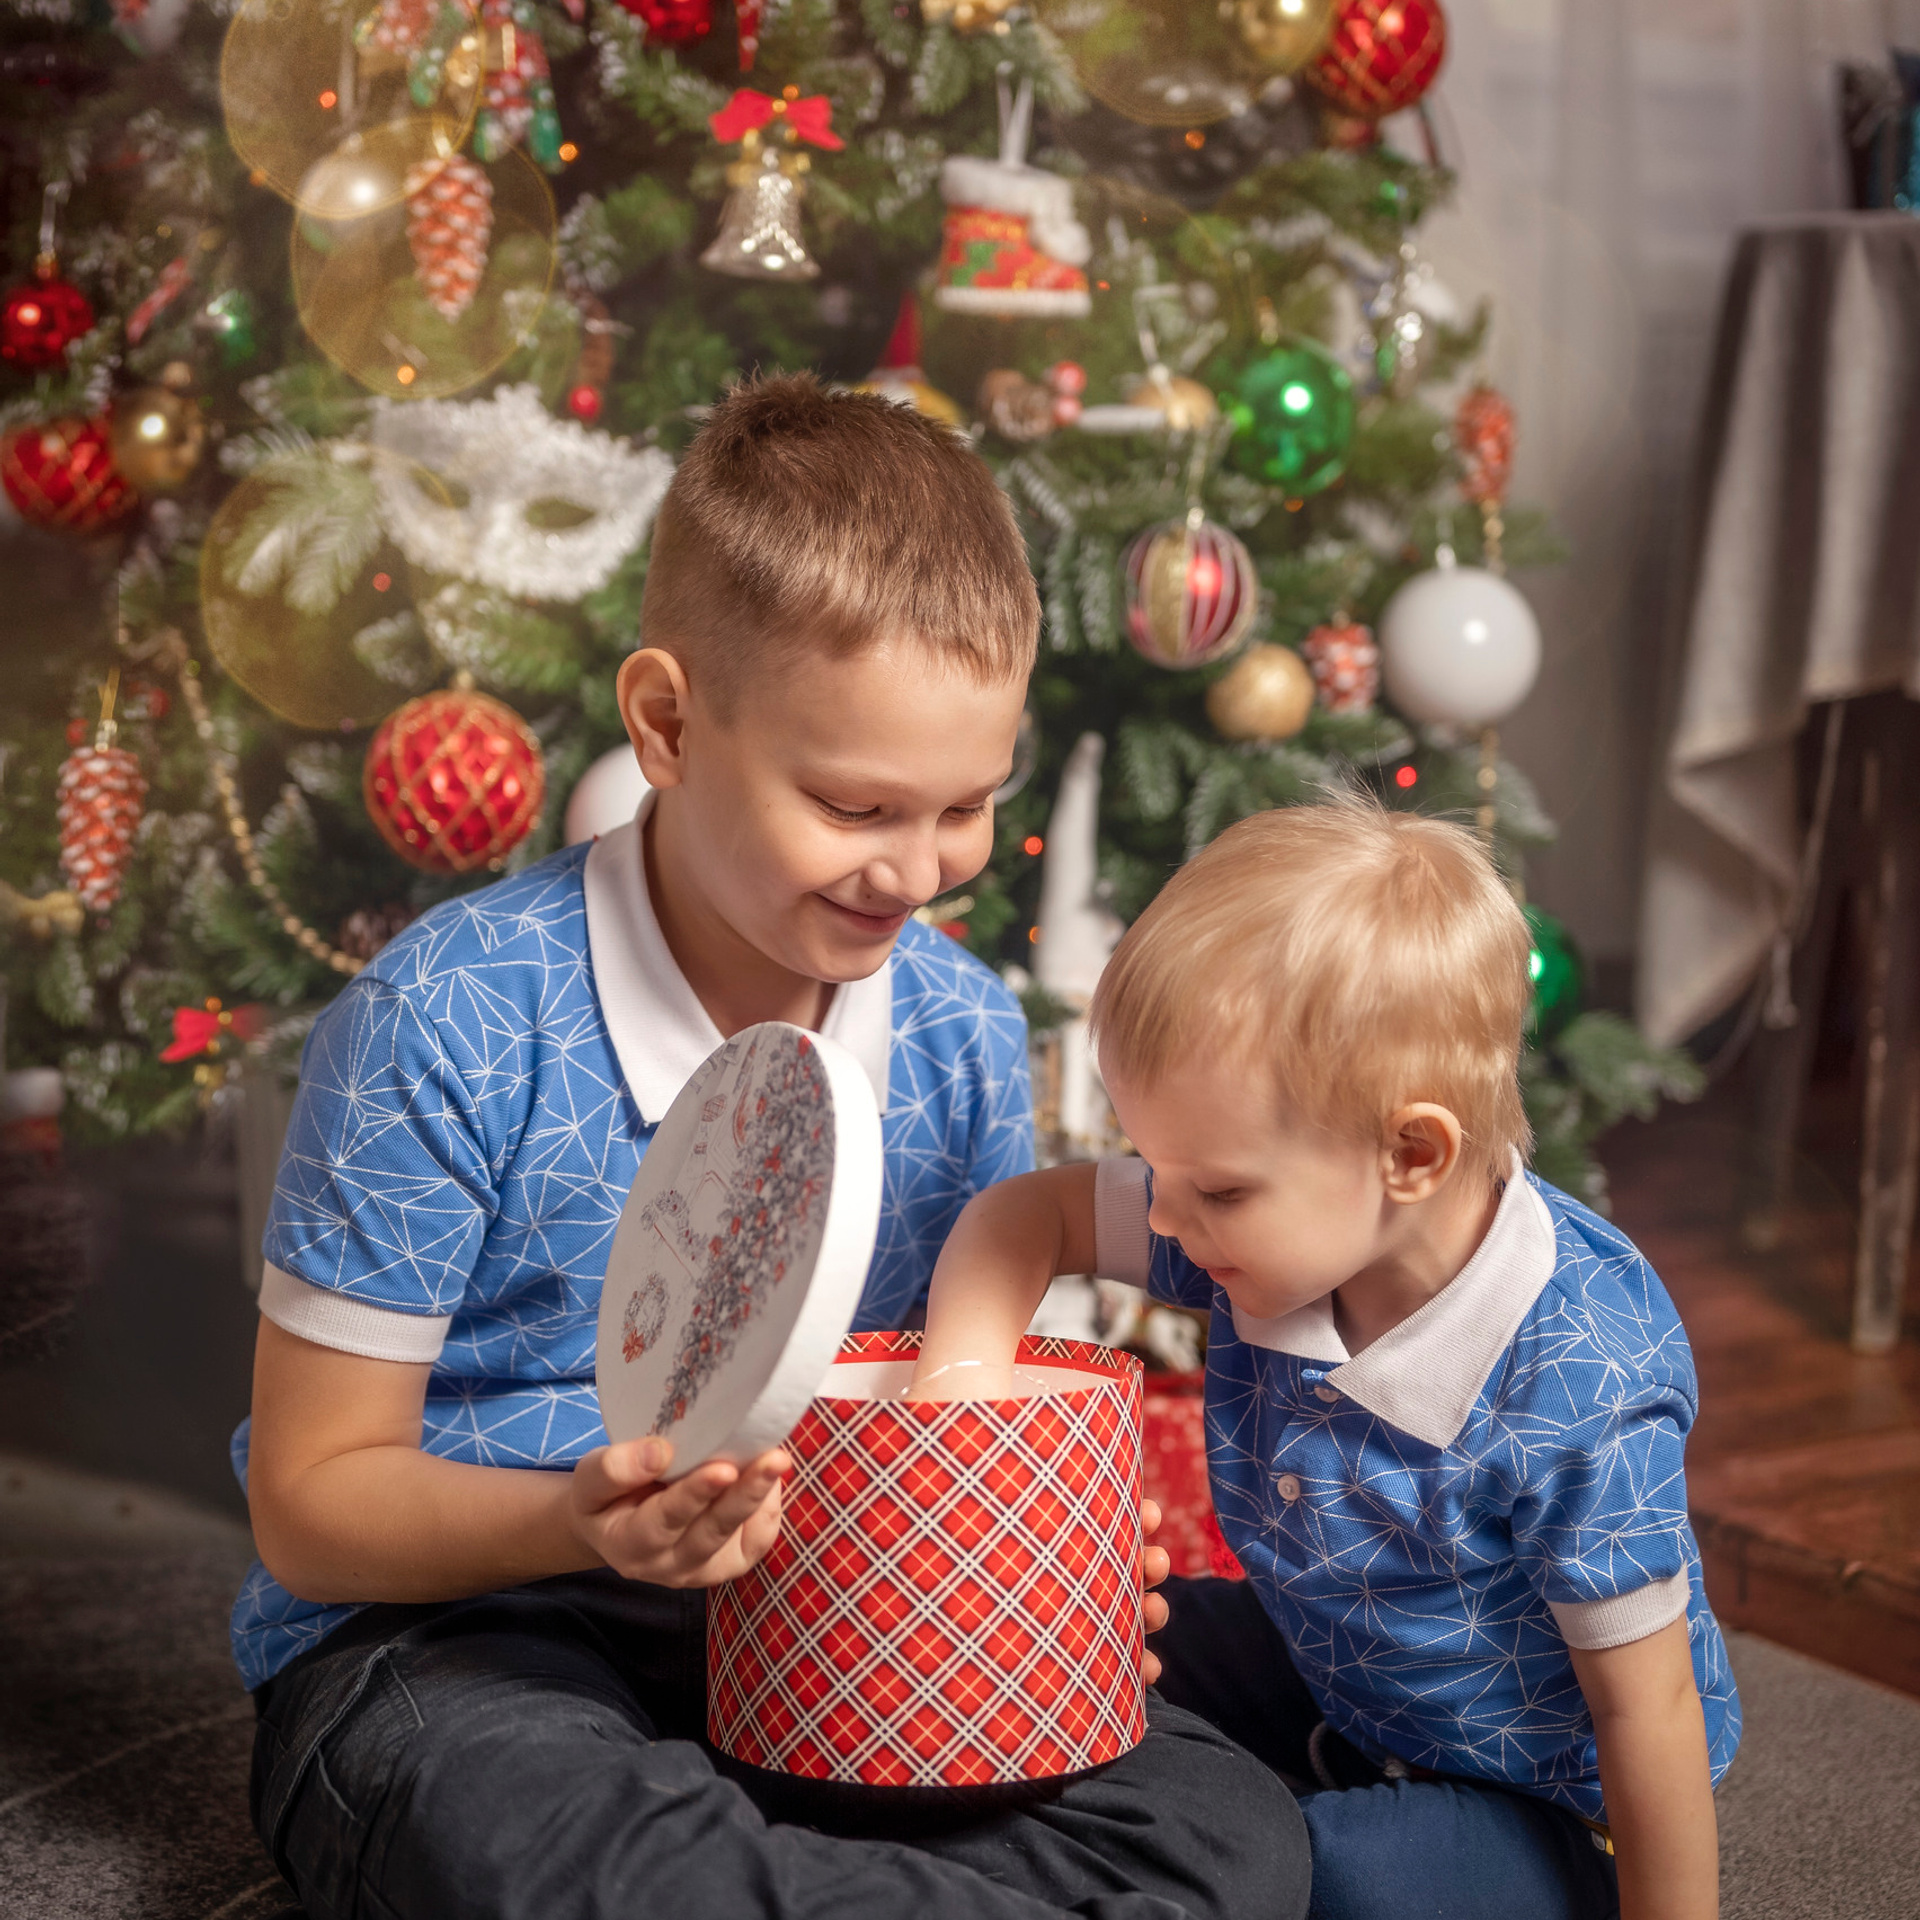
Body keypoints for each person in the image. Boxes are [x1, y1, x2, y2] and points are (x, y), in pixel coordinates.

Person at [237, 374, 1308, 1920]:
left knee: (1231, 1835)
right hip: (472, 1620)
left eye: (966, 809)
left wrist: (1042, 1577)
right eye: (854, 804)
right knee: (518, 1831)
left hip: (837, 1615)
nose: (916, 872)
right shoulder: (448, 1020)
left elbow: (963, 1403)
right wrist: (579, 1522)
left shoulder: (952, 1026)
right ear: (667, 723)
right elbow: (310, 1501)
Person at [914, 801, 1742, 1920]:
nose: (1164, 1215)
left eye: (1212, 1189)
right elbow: (1025, 1217)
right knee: (1086, 1637)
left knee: (1328, 1871)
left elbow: (1651, 1721)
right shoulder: (1267, 1222)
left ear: (1410, 1153)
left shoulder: (1580, 1383)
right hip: (1338, 1669)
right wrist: (959, 1405)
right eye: (1152, 1167)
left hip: (1541, 1793)